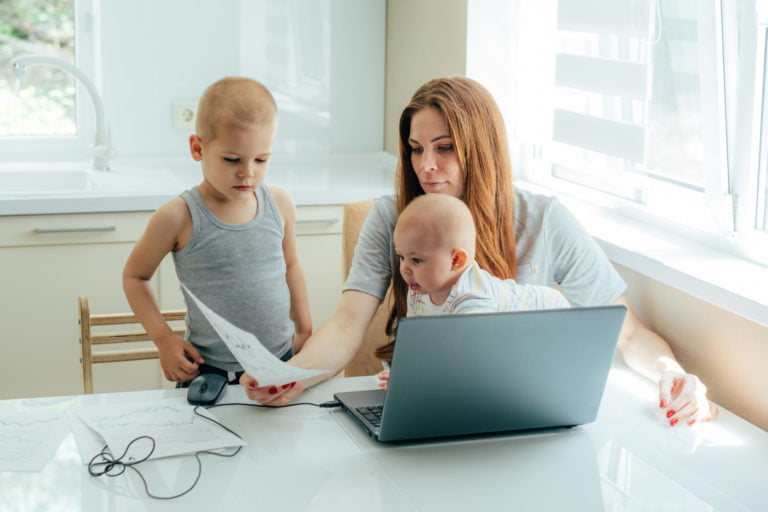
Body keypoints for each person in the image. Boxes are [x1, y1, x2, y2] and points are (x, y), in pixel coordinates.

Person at [241, 76, 716, 428]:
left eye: (444, 148)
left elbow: (628, 334)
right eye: (415, 148)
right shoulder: (392, 216)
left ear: (481, 148)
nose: (426, 166)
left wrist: (673, 374)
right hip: (427, 410)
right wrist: (287, 377)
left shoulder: (544, 219)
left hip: (528, 420)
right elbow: (347, 325)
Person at [123, 76, 312, 386]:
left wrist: (305, 328)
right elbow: (135, 277)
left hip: (278, 364)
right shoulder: (178, 216)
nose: (248, 172)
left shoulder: (280, 203)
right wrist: (163, 339)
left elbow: (291, 265)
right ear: (198, 148)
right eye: (232, 159)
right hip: (209, 375)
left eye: (261, 159)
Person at [395, 193, 569, 315]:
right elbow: (417, 340)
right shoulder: (419, 290)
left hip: (549, 311)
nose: (405, 269)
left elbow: (474, 360)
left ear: (456, 260)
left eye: (416, 260)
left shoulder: (473, 300)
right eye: (402, 257)